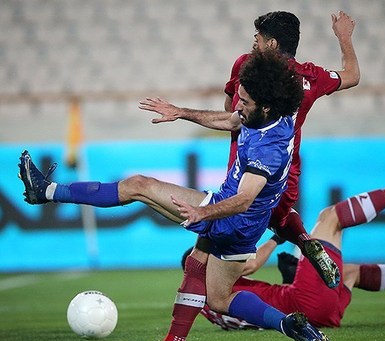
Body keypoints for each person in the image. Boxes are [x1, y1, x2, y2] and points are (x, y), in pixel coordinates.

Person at [18, 49, 334, 341]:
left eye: (245, 102)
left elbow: (244, 199)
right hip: (243, 228)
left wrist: (203, 212)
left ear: (264, 106)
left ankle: (44, 191)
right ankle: (284, 324)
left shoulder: (268, 149)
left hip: (232, 216)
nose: (238, 105)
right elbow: (230, 119)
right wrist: (182, 112)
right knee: (219, 296)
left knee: (139, 186)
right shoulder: (265, 114)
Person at [141, 10, 360, 289]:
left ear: (271, 44)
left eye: (258, 38)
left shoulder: (245, 65)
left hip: (245, 160)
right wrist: (344, 37)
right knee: (276, 215)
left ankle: (193, 318)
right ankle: (305, 241)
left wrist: (190, 112)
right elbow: (352, 75)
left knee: (210, 244)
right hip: (285, 166)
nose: (254, 42)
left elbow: (229, 112)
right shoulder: (310, 77)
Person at [189, 143, 385, 331]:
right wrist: (279, 238)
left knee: (349, 273)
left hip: (315, 313)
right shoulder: (216, 277)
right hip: (303, 303)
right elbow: (253, 263)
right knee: (330, 218)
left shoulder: (208, 307)